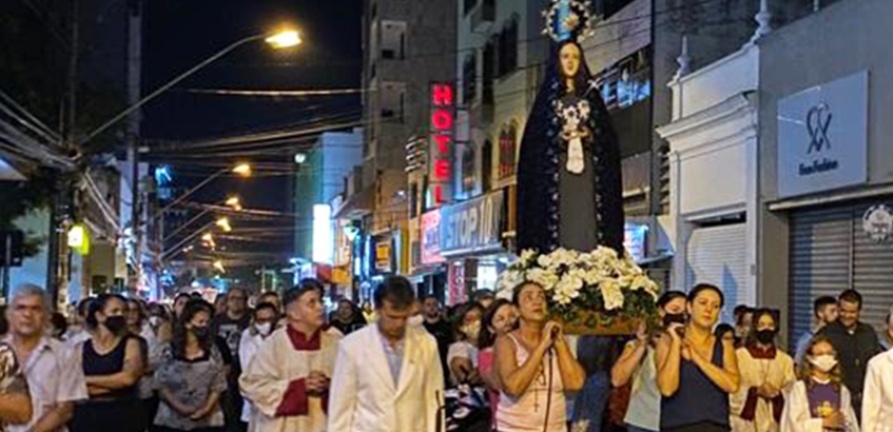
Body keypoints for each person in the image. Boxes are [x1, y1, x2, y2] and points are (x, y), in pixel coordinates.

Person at [516, 22, 624, 255]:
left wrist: (589, 137)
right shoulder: (546, 103)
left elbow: (608, 143)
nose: (570, 61)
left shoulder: (592, 99)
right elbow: (535, 147)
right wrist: (558, 139)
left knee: (587, 214)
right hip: (558, 174)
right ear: (557, 60)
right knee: (562, 215)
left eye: (575, 56)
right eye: (565, 56)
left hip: (587, 174)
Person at [328, 276, 444, 432]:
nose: (398, 324)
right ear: (378, 310)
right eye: (392, 317)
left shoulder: (426, 344)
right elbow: (341, 408)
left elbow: (434, 402)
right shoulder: (352, 346)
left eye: (404, 317)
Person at [240, 280, 340, 432]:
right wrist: (299, 387)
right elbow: (251, 385)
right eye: (311, 303)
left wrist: (329, 385)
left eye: (320, 301)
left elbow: (355, 386)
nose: (321, 307)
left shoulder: (337, 343)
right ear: (293, 313)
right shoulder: (274, 345)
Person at [494, 282, 586, 432]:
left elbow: (575, 384)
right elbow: (513, 387)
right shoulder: (506, 342)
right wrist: (542, 346)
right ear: (517, 310)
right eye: (529, 298)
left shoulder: (558, 340)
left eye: (541, 297)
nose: (537, 302)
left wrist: (561, 345)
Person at [657, 284, 740, 432]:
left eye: (715, 306)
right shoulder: (668, 341)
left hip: (716, 426)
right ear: (689, 307)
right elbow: (667, 389)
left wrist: (697, 358)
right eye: (702, 303)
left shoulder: (725, 345)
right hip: (678, 425)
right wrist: (676, 342)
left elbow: (732, 385)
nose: (708, 310)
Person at [5, 285, 81, 432]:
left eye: (36, 309)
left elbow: (64, 409)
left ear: (47, 316)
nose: (27, 314)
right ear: (9, 314)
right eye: (21, 308)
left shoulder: (64, 353)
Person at [610, 290, 687, 432]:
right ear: (660, 312)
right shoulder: (638, 344)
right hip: (643, 421)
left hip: (680, 421)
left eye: (684, 312)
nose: (679, 317)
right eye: (675, 310)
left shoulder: (690, 346)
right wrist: (642, 345)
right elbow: (617, 379)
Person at [69, 293, 145, 432]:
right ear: (99, 316)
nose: (120, 315)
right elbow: (72, 385)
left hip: (123, 415)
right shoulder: (81, 348)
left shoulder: (131, 343)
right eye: (114, 311)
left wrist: (85, 380)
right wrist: (114, 384)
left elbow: (128, 378)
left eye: (123, 311)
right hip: (87, 416)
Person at [153, 299, 228, 432]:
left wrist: (205, 409)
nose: (204, 326)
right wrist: (181, 408)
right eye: (200, 322)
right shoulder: (168, 350)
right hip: (171, 419)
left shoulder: (213, 351)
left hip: (207, 420)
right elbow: (160, 384)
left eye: (207, 322)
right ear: (187, 324)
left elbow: (218, 384)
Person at [730, 308, 797, 432]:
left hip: (774, 422)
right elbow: (731, 390)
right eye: (761, 325)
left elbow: (792, 391)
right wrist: (754, 391)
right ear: (754, 327)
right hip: (746, 423)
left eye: (770, 325)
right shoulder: (738, 356)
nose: (766, 329)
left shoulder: (785, 360)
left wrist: (778, 394)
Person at [817, 289, 880, 414]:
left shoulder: (868, 332)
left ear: (859, 312)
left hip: (866, 400)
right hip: (835, 399)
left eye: (852, 312)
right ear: (838, 309)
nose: (847, 315)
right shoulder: (826, 334)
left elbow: (877, 363)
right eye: (843, 311)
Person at [780, 335, 859, 432]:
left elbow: (851, 423)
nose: (825, 357)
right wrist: (823, 423)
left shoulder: (841, 390)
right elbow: (792, 424)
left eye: (829, 353)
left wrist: (842, 422)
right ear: (810, 358)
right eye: (820, 354)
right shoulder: (800, 388)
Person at [212, 288, 252, 432]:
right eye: (232, 298)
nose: (236, 302)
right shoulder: (217, 321)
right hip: (222, 371)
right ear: (227, 301)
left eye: (240, 298)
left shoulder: (251, 319)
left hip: (245, 370)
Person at [237, 301, 279, 429]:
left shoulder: (282, 339)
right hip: (255, 405)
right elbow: (249, 373)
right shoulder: (248, 339)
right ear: (255, 321)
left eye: (270, 319)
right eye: (261, 320)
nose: (266, 324)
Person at [478, 299, 518, 427]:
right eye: (500, 319)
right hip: (504, 422)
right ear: (491, 328)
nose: (508, 323)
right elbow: (497, 385)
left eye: (512, 316)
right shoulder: (487, 355)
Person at [448, 302, 485, 386]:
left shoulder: (489, 345)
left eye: (480, 318)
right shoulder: (459, 348)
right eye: (469, 320)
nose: (477, 323)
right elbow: (468, 379)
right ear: (461, 326)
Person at [794, 296, 838, 364]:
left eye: (837, 311)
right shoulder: (807, 339)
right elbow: (798, 362)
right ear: (820, 313)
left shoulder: (837, 335)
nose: (836, 315)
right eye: (832, 311)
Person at [421, 295, 452, 385]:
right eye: (428, 305)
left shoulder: (447, 326)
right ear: (423, 307)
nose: (431, 307)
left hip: (443, 367)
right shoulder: (419, 327)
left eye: (434, 304)